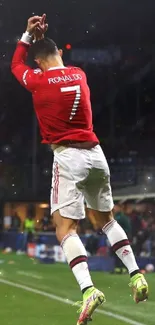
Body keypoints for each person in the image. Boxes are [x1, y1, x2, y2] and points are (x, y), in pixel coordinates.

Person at [11, 14, 148, 325]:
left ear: (40, 63)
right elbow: (52, 60)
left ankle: (88, 290)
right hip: (96, 155)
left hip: (69, 156)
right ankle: (136, 274)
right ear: (61, 54)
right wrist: (43, 42)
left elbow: (16, 66)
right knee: (107, 220)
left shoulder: (39, 80)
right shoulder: (79, 74)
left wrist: (27, 36)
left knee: (64, 227)